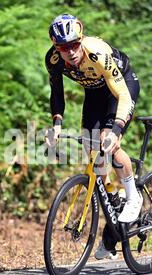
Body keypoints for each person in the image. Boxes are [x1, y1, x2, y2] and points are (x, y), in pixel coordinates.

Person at [45, 14, 142, 260]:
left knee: (108, 143)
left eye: (74, 45)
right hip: (94, 93)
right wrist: (56, 124)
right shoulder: (54, 60)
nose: (71, 52)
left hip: (120, 88)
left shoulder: (97, 53)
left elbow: (122, 95)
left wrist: (117, 129)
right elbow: (57, 94)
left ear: (82, 39)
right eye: (64, 47)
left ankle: (132, 197)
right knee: (93, 155)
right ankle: (113, 222)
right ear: (56, 48)